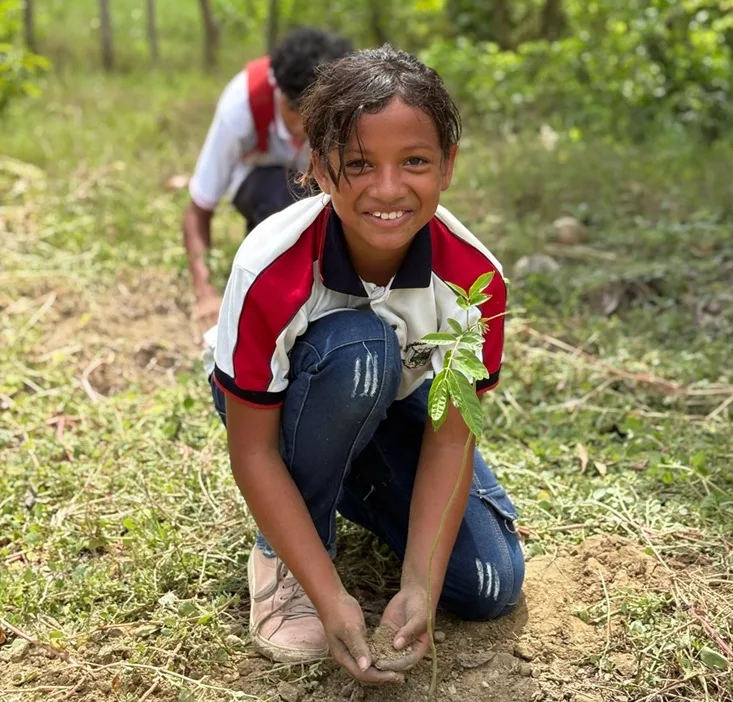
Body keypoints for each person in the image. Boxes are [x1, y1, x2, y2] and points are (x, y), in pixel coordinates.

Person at [206, 45, 525, 685]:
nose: (388, 188)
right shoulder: (270, 268)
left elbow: (450, 436)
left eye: (414, 162)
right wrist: (329, 596)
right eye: (359, 164)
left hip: (394, 404)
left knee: (489, 584)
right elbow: (254, 451)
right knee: (361, 353)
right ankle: (289, 556)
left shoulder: (474, 282)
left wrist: (419, 587)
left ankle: (346, 480)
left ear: (447, 166)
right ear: (321, 170)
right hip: (283, 410)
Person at [183, 27, 353, 332]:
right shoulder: (240, 109)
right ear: (287, 104)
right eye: (306, 115)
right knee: (282, 194)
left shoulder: (343, 108)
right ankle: (274, 284)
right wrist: (205, 291)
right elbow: (199, 208)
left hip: (317, 180)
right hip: (256, 179)